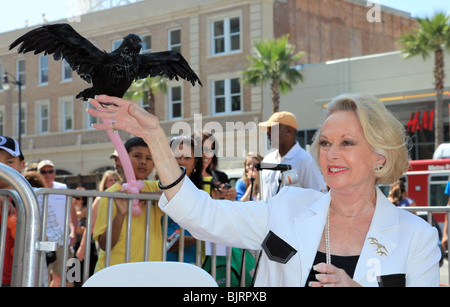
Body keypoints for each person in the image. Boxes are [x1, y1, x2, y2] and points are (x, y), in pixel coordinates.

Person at [88, 93, 441, 286]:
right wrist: (154, 136)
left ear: (380, 158)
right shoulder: (287, 207)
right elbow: (201, 214)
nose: (331, 154)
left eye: (347, 143)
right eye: (325, 143)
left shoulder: (417, 237)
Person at [92, 137, 163, 273]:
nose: (143, 161)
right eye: (137, 156)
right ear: (123, 159)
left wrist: (144, 196)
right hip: (116, 275)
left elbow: (178, 194)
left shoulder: (153, 188)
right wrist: (120, 214)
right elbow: (104, 244)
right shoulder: (111, 194)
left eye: (149, 158)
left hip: (149, 274)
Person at [258, 111, 327, 201]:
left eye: (272, 129)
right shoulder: (267, 160)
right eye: (268, 130)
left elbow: (319, 197)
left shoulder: (305, 161)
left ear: (288, 131)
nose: (268, 134)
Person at [37, 159, 76, 287]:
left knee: (62, 275)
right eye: (43, 172)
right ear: (39, 174)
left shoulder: (63, 187)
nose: (47, 174)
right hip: (42, 240)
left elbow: (72, 212)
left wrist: (73, 232)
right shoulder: (35, 189)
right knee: (44, 276)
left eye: (50, 171)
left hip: (62, 239)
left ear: (54, 173)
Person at [0, 136, 25, 286]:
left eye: (9, 162)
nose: (1, 167)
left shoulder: (32, 197)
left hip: (18, 279)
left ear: (21, 165)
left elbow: (45, 238)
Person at [195, 131, 236, 200]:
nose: (207, 154)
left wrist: (231, 195)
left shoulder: (221, 177)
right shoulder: (188, 178)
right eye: (203, 149)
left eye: (211, 150)